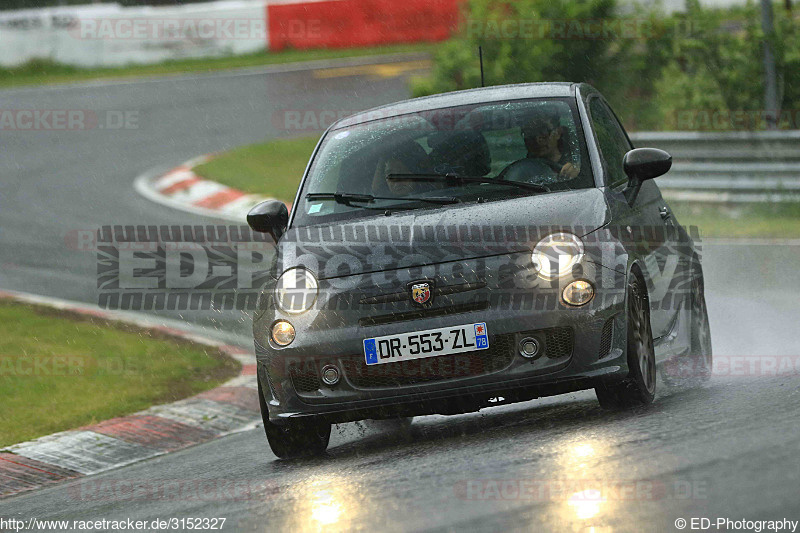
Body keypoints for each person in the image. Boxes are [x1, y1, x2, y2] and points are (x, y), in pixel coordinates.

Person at [501, 111, 579, 185]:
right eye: (530, 134)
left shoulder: (579, 163)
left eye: (543, 132)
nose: (537, 140)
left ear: (558, 133)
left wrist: (577, 172)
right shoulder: (514, 173)